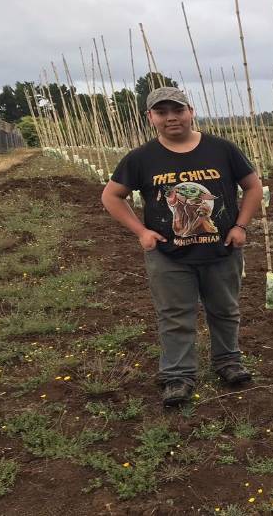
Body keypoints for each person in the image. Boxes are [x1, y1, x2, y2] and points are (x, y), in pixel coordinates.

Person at [102, 86, 262, 406]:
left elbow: (253, 186)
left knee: (225, 310)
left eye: (177, 110)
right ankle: (177, 375)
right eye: (162, 113)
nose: (171, 118)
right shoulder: (141, 158)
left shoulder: (222, 149)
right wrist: (141, 232)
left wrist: (241, 226)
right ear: (150, 118)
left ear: (191, 111)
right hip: (168, 255)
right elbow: (111, 196)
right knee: (175, 315)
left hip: (221, 250)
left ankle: (228, 362)